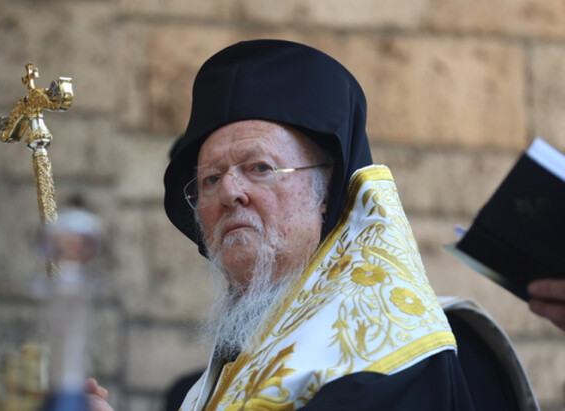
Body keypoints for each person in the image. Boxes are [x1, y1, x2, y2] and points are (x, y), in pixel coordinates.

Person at [91, 39, 539, 410]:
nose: (229, 192)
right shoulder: (231, 368)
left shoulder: (393, 351)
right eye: (210, 179)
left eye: (260, 167)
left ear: (326, 195)